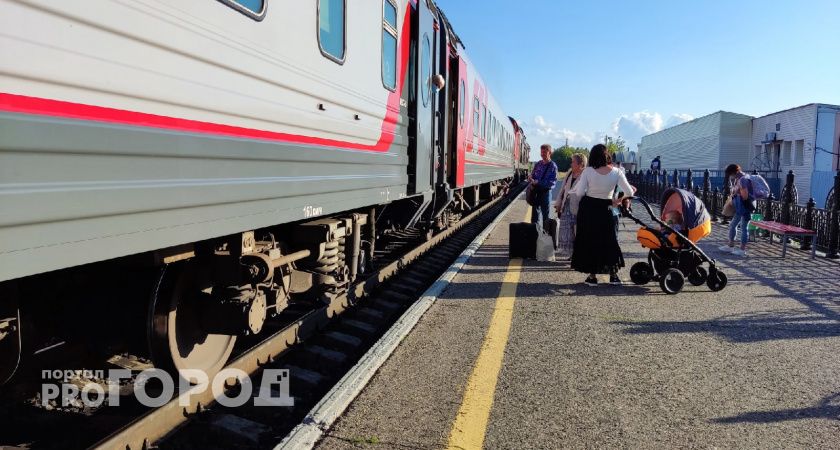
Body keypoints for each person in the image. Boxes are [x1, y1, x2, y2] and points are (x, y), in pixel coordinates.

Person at [570, 144, 636, 286]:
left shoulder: (588, 171)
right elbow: (630, 192)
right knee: (609, 240)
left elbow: (580, 193)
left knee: (590, 241)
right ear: (607, 156)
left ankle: (592, 276)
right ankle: (613, 276)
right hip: (607, 208)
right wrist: (618, 201)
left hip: (589, 209)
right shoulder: (617, 172)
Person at [554, 153, 587, 259]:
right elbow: (562, 189)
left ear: (580, 164)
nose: (571, 164)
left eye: (573, 162)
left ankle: (578, 254)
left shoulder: (586, 175)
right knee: (567, 231)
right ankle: (571, 254)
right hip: (566, 206)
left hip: (579, 207)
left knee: (578, 232)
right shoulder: (569, 173)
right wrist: (558, 203)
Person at [718, 164, 753, 256]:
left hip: (745, 206)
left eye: (730, 174)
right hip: (741, 207)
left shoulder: (742, 180)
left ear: (734, 172)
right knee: (733, 225)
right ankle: (731, 245)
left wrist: (736, 194)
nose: (730, 176)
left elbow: (745, 196)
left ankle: (742, 249)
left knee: (744, 227)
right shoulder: (742, 178)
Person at [527, 144, 558, 224]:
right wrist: (530, 178)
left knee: (545, 217)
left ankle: (545, 231)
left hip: (545, 193)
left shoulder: (553, 166)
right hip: (536, 192)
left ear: (550, 153)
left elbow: (552, 182)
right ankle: (534, 231)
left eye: (544, 152)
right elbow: (533, 174)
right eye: (541, 152)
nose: (542, 154)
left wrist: (538, 182)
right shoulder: (538, 164)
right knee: (534, 217)